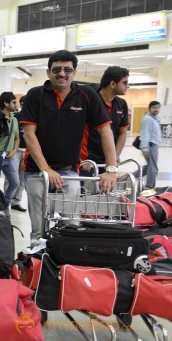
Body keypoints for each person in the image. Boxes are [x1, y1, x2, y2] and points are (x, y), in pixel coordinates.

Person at [19, 49, 118, 246]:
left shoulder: (87, 95)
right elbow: (29, 135)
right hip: (36, 171)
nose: (62, 74)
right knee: (39, 231)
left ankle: (66, 264)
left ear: (74, 72)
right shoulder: (35, 95)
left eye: (67, 69)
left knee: (71, 223)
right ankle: (38, 264)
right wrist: (46, 169)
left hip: (69, 170)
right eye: (57, 69)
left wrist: (112, 169)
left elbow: (106, 132)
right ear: (48, 72)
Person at [80, 66, 130, 170]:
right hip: (87, 162)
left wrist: (114, 158)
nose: (128, 86)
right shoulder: (90, 100)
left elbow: (123, 133)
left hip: (108, 162)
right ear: (113, 84)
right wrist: (80, 158)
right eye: (125, 82)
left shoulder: (122, 104)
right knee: (85, 187)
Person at [10, 95, 28, 212]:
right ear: (21, 104)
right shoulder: (15, 117)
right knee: (12, 178)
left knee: (22, 180)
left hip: (27, 152)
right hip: (16, 151)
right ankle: (7, 201)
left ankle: (16, 202)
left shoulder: (34, 116)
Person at [140, 101, 162, 190]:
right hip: (150, 146)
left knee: (149, 166)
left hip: (154, 145)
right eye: (154, 107)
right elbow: (145, 134)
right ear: (149, 108)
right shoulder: (148, 119)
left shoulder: (155, 118)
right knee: (153, 168)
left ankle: (131, 176)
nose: (156, 109)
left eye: (157, 107)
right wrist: (145, 148)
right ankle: (149, 187)